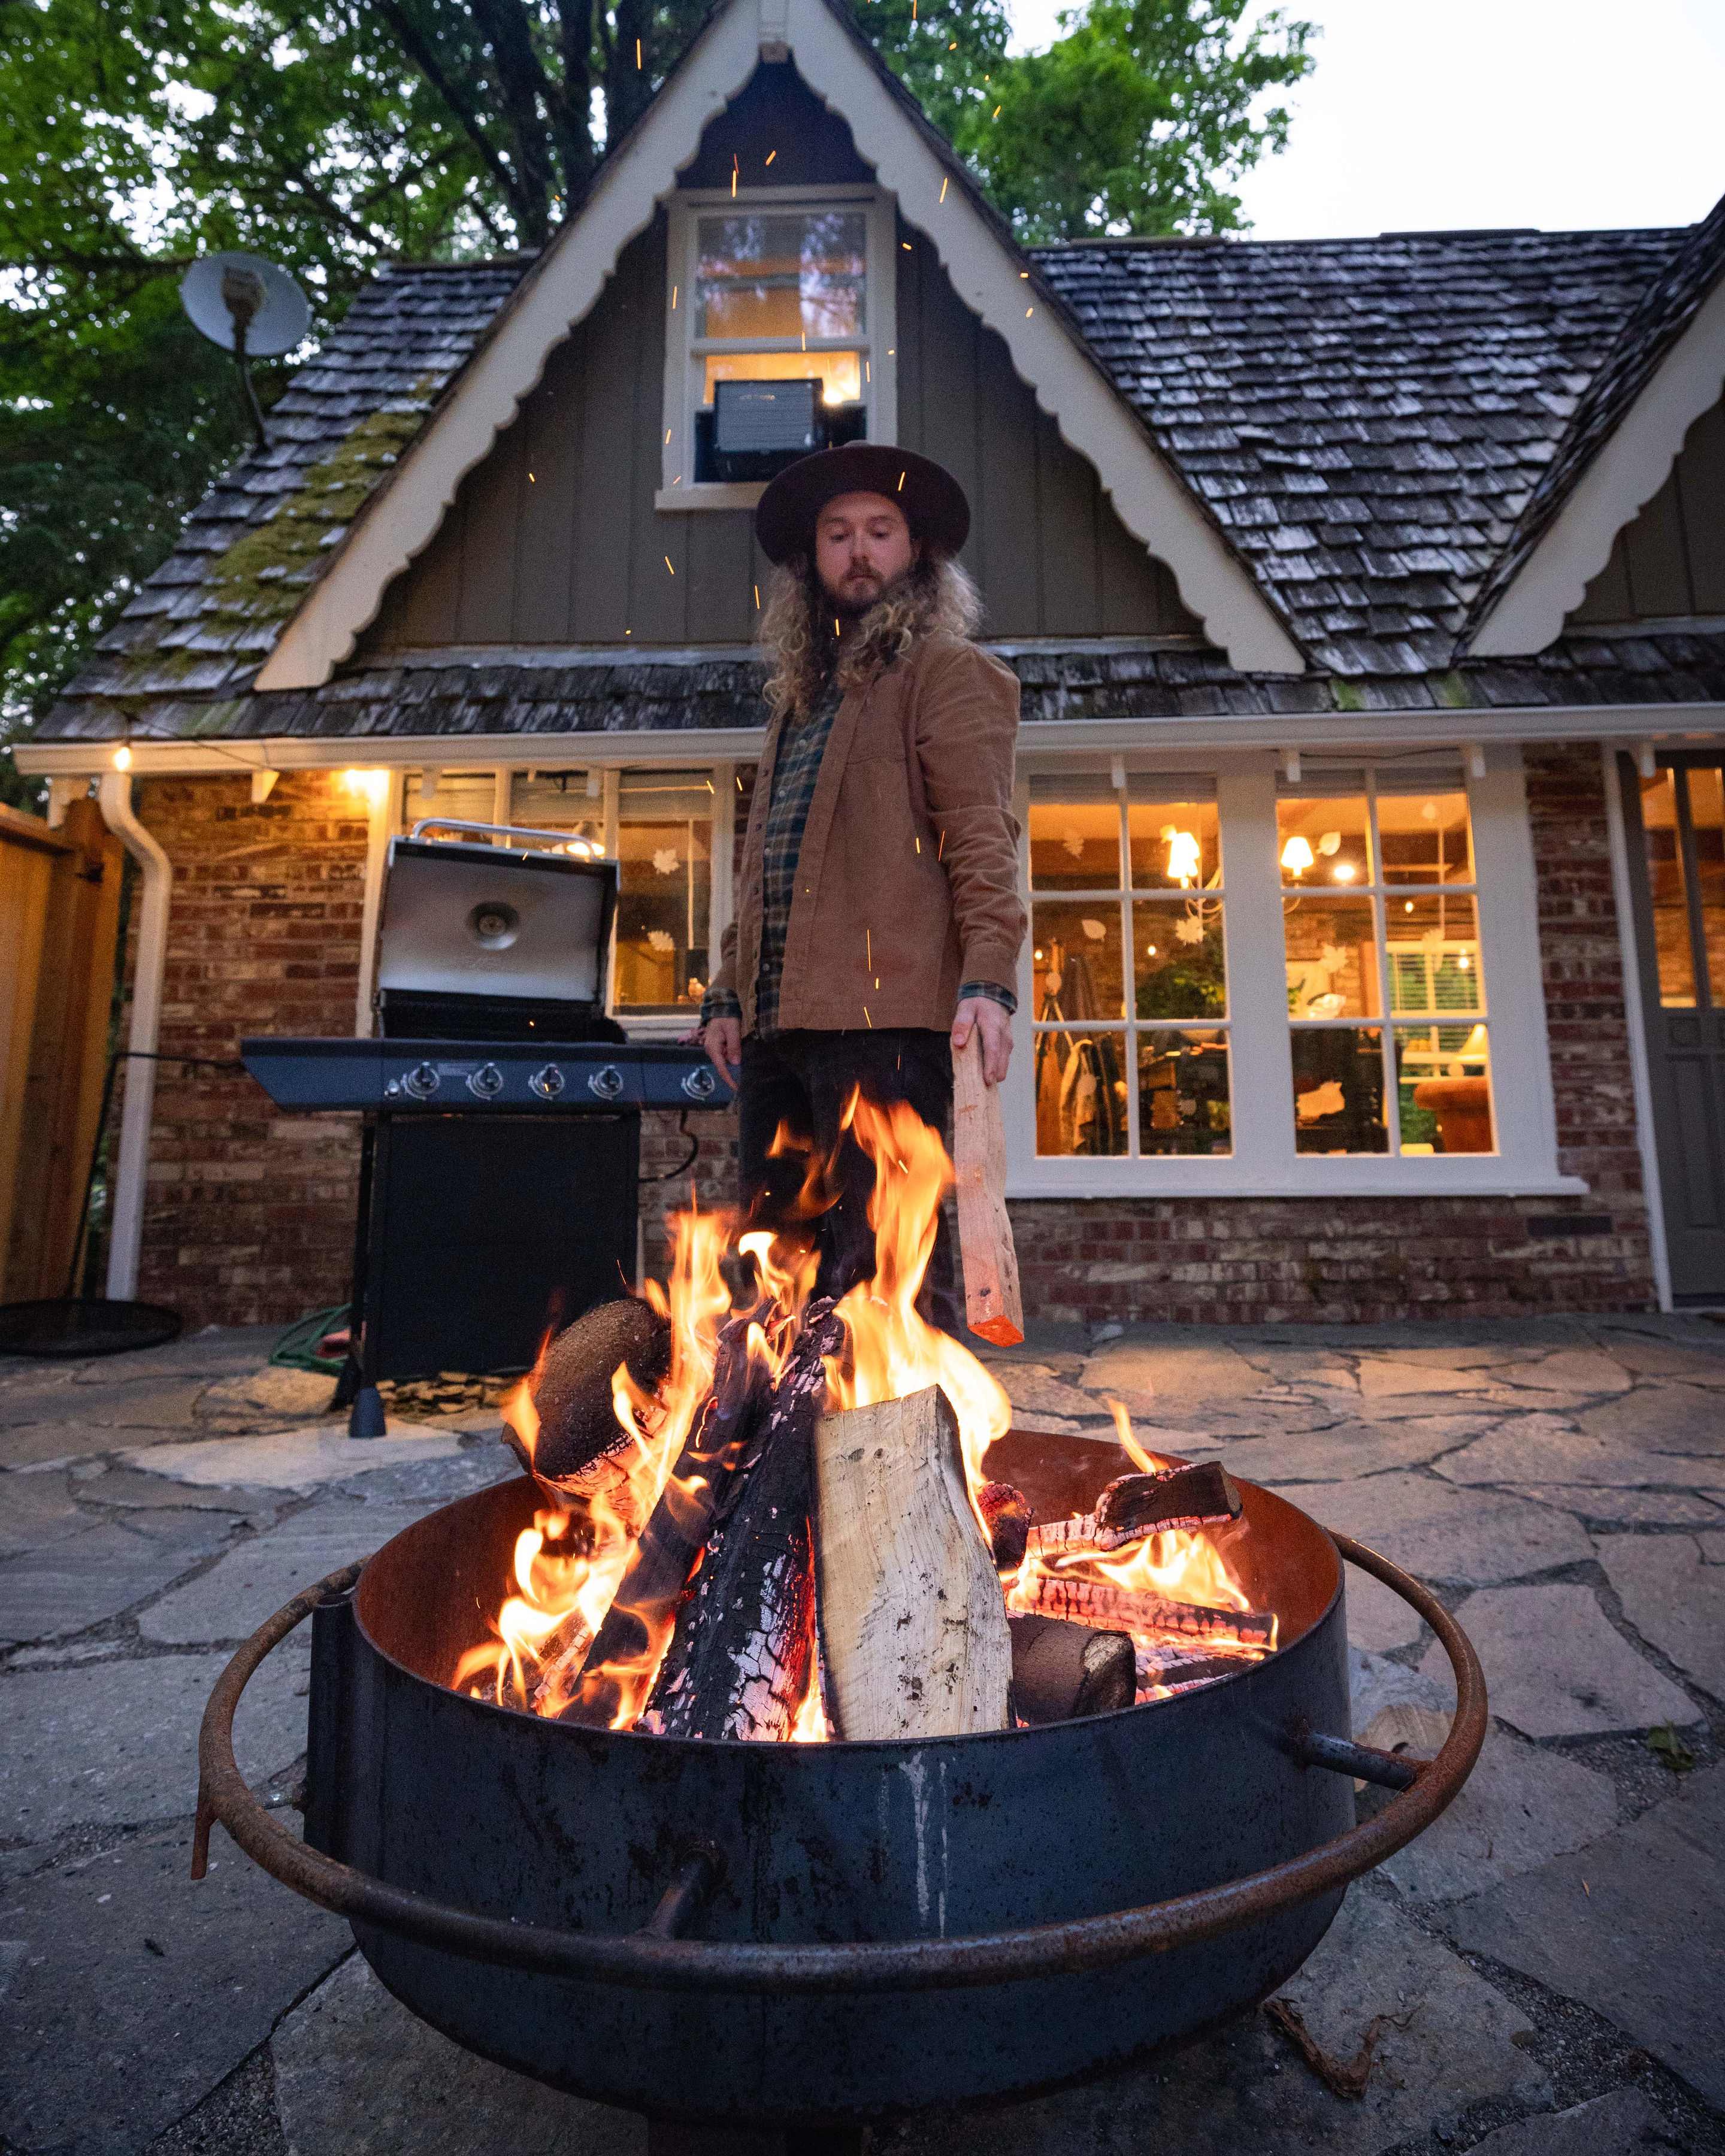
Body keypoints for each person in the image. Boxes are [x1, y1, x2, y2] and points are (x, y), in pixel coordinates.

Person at [694, 442, 1025, 1330]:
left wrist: (989, 981)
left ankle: (908, 1466)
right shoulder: (795, 705)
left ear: (917, 554)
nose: (859, 550)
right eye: (838, 534)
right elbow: (761, 863)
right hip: (776, 1032)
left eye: (881, 531)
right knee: (777, 1279)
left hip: (883, 1031)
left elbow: (986, 837)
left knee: (886, 1278)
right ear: (812, 561)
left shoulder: (949, 676)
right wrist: (728, 990)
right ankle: (784, 1464)